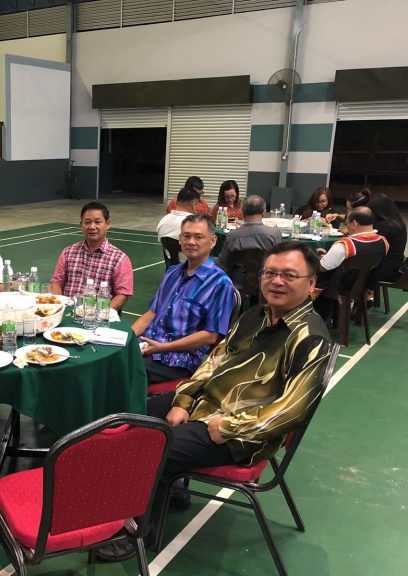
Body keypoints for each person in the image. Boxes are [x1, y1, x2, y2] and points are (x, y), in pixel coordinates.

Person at [97, 241, 332, 562]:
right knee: (131, 417)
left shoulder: (310, 337)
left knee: (152, 446)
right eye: (270, 273)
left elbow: (293, 409)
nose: (277, 281)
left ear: (311, 283)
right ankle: (170, 487)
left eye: (289, 275)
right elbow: (214, 361)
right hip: (207, 404)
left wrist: (229, 427)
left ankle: (138, 530)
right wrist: (183, 399)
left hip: (239, 432)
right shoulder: (256, 315)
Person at [133, 214, 234, 384]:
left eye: (198, 237)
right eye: (186, 236)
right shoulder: (172, 273)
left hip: (177, 359)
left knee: (123, 370)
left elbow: (210, 336)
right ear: (180, 239)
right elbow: (152, 313)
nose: (191, 242)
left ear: (213, 241)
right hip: (147, 345)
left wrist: (162, 348)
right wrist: (127, 338)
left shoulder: (220, 284)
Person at [51, 201, 133, 311]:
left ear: (108, 224)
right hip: (67, 312)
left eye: (97, 222)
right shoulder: (68, 252)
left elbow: (122, 295)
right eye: (87, 222)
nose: (92, 227)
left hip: (99, 315)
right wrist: (59, 306)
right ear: (81, 225)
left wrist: (99, 313)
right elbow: (56, 282)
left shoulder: (120, 259)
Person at [217, 195, 282, 269]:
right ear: (264, 212)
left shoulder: (231, 236)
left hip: (236, 275)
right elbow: (280, 261)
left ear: (242, 212)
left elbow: (222, 263)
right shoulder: (275, 234)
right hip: (266, 275)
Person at [367, 193, 407, 282]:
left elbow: (369, 246)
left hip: (384, 270)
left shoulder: (383, 226)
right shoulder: (398, 223)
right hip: (395, 267)